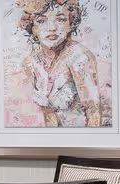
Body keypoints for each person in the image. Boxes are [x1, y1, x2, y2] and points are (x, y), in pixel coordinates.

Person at [8, 0, 110, 128]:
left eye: (60, 19)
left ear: (71, 23)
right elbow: (48, 115)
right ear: (32, 27)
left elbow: (93, 112)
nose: (52, 28)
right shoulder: (31, 62)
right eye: (41, 21)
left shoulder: (79, 57)